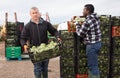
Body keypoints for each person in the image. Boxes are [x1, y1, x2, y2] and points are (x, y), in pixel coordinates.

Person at [20, 7, 61, 78]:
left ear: (39, 13)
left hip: (46, 50)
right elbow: (23, 38)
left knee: (45, 68)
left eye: (36, 12)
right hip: (35, 51)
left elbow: (54, 31)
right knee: (38, 69)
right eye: (33, 13)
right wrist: (24, 45)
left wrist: (58, 36)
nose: (35, 14)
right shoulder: (28, 26)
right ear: (30, 14)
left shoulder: (45, 23)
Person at [76, 4, 101, 78]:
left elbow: (80, 33)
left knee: (92, 66)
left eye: (84, 10)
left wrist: (77, 24)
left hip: (92, 45)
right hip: (98, 43)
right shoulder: (96, 18)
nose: (82, 11)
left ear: (87, 11)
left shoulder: (88, 21)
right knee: (94, 65)